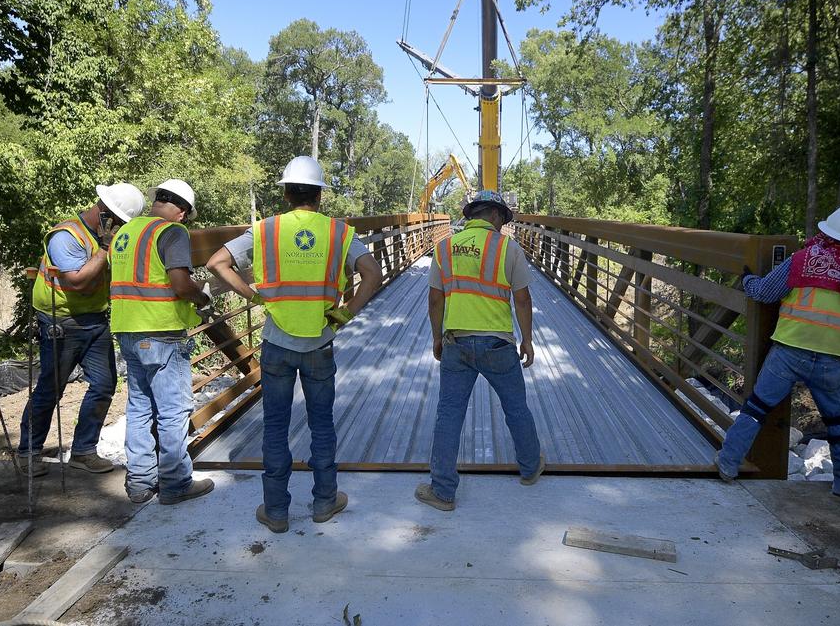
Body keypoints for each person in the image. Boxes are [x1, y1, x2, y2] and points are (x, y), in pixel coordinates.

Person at [207, 156, 382, 533]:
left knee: (275, 424)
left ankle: (276, 510)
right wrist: (347, 313)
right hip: (320, 340)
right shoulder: (339, 232)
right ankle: (324, 501)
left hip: (276, 342)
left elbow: (216, 262)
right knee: (322, 423)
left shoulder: (265, 230)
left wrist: (253, 296)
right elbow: (373, 273)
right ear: (320, 195)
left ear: (286, 193)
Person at [716, 205, 840, 497]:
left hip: (789, 351)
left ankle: (728, 464)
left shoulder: (804, 260)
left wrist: (748, 280)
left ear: (827, 232)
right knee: (837, 420)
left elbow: (764, 293)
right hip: (833, 359)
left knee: (755, 409)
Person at [416, 190, 544, 512]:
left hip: (456, 343)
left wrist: (436, 337)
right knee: (516, 407)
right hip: (498, 343)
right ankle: (530, 469)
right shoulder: (508, 248)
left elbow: (435, 299)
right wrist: (526, 339)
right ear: (497, 216)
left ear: (472, 214)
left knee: (449, 414)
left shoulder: (444, 248)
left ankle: (443, 492)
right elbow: (523, 299)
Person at [18, 182, 145, 476]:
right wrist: (104, 248)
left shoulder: (105, 236)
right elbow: (77, 280)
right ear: (105, 213)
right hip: (61, 322)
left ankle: (84, 450)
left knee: (103, 385)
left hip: (94, 320)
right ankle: (28, 451)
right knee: (51, 389)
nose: (121, 228)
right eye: (120, 221)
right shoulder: (66, 236)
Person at [110, 179, 214, 505]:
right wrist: (202, 298)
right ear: (181, 211)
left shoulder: (125, 233)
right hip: (162, 333)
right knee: (172, 411)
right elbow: (180, 284)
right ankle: (176, 483)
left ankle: (140, 484)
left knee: (139, 408)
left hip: (127, 330)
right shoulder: (172, 232)